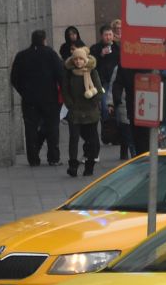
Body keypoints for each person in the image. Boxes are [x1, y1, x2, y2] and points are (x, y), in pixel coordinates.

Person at [9, 29, 64, 167]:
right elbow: (60, 75)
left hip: (29, 100)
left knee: (30, 129)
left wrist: (24, 92)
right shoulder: (50, 54)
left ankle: (33, 159)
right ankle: (53, 158)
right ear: (44, 40)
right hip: (49, 98)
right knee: (52, 127)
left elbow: (14, 78)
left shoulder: (21, 55)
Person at [63, 45, 103, 177]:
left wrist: (93, 103)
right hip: (75, 111)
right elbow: (65, 91)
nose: (78, 62)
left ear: (85, 59)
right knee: (73, 139)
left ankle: (89, 165)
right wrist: (70, 104)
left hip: (90, 111)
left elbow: (98, 90)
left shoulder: (92, 72)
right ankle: (73, 165)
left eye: (81, 59)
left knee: (91, 139)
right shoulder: (69, 73)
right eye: (76, 60)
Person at [91, 26, 122, 161]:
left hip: (115, 81)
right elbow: (92, 64)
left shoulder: (117, 48)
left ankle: (115, 134)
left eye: (110, 35)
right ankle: (107, 131)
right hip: (102, 82)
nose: (108, 37)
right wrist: (101, 55)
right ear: (101, 36)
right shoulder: (96, 49)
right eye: (106, 35)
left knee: (115, 106)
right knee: (105, 107)